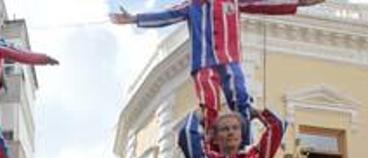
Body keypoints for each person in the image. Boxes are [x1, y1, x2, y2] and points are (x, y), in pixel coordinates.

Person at [110, 0, 318, 146]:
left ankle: (243, 141)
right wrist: (134, 18)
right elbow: (165, 16)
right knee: (209, 102)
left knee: (239, 95)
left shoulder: (233, 1)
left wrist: (299, 2)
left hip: (228, 58)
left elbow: (265, 3)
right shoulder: (191, 6)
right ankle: (212, 142)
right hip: (203, 62)